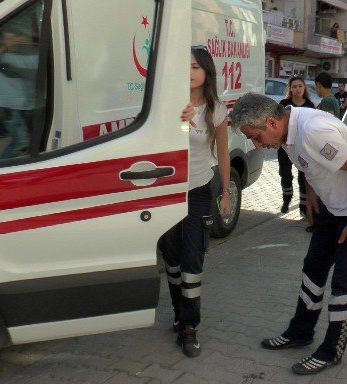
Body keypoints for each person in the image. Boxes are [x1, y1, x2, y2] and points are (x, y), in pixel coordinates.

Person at [229, 93, 347, 375]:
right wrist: (312, 194)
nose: (256, 144)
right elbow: (309, 165)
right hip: (331, 206)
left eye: (256, 137)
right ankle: (300, 332)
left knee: (344, 282)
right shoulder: (287, 132)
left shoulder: (314, 132)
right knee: (313, 269)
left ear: (272, 123)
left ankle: (331, 351)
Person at [158, 45, 231, 358]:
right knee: (171, 261)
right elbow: (161, 142)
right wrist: (177, 119)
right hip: (167, 191)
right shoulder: (168, 103)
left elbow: (224, 153)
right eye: (185, 66)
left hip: (198, 191)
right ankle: (178, 315)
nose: (190, 73)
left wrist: (225, 193)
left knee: (192, 261)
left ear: (206, 73)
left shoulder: (216, 109)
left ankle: (190, 326)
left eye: (196, 67)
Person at [0, 28, 39, 159]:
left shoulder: (26, 57)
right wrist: (5, 47)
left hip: (25, 105)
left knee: (27, 141)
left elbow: (42, 61)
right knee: (21, 142)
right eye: (8, 38)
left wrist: (27, 43)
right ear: (0, 40)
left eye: (15, 37)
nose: (13, 41)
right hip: (8, 107)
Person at [278, 76, 315, 216]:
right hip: (285, 146)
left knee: (303, 176)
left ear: (304, 88)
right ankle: (286, 199)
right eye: (294, 86)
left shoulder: (310, 106)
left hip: (303, 148)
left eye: (300, 86)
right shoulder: (284, 104)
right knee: (285, 174)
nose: (297, 89)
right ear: (290, 89)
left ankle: (303, 206)